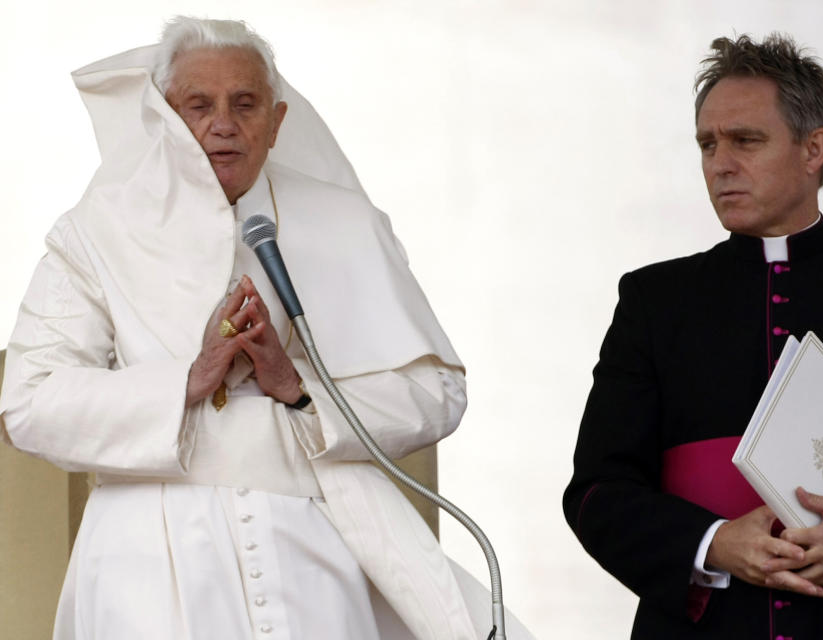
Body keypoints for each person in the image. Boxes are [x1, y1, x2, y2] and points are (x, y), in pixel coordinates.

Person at [0, 16, 484, 640]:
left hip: (315, 547)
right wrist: (189, 380)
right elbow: (26, 405)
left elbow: (438, 392)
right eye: (198, 104)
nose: (222, 123)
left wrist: (299, 387)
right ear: (165, 118)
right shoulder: (97, 228)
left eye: (245, 103)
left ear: (276, 122)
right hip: (146, 554)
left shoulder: (346, 221)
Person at [563, 34, 823, 639]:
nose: (720, 163)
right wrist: (714, 543)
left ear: (813, 149)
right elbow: (596, 492)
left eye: (746, 140)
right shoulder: (655, 302)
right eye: (707, 144)